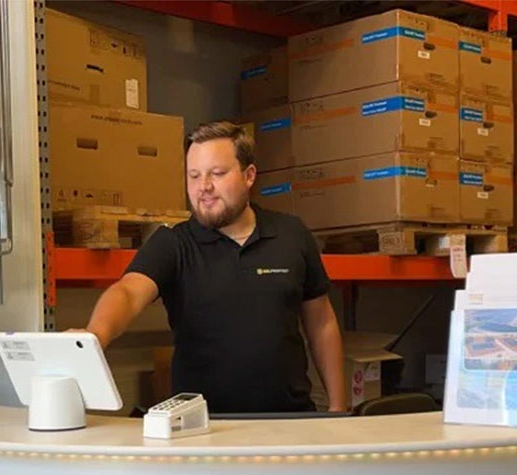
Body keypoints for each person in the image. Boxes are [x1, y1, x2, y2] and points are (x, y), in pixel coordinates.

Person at [81, 121, 347, 413]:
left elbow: (321, 323)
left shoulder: (291, 234)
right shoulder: (173, 244)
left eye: (217, 174)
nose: (204, 187)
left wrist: (338, 408)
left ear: (249, 175)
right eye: (194, 176)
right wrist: (95, 335)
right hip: (203, 427)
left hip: (289, 420)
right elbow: (128, 293)